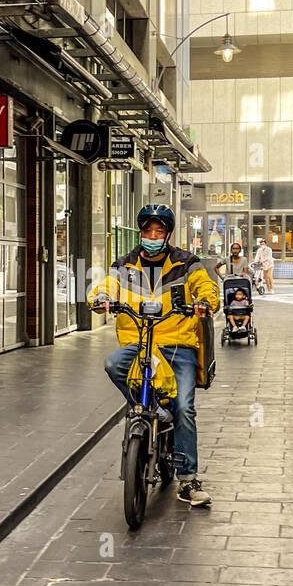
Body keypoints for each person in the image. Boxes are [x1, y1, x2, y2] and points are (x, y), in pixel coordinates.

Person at [89, 204, 219, 507]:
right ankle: (146, 409)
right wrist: (100, 298)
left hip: (177, 345)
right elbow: (106, 285)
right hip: (139, 342)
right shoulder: (124, 264)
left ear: (168, 234)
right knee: (113, 364)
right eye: (147, 230)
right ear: (140, 232)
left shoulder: (188, 263)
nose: (152, 236)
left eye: (159, 231)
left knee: (184, 407)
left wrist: (203, 301)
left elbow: (207, 287)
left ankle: (188, 480)